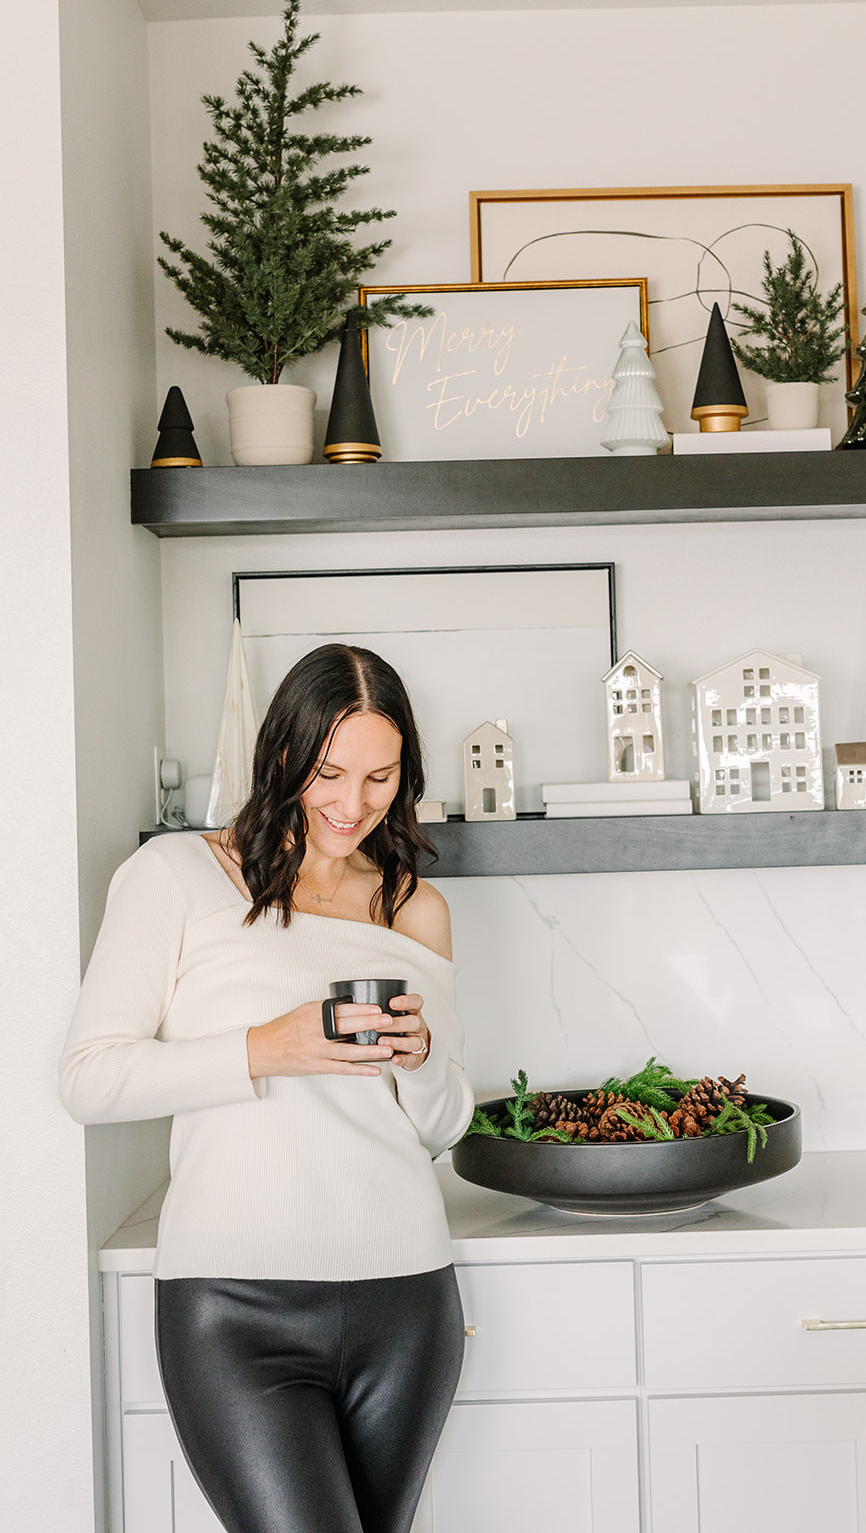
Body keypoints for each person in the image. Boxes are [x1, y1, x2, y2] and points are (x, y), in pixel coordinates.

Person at [60, 643, 474, 1533]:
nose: (352, 804)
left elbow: (443, 1124)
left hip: (406, 1294)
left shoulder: (414, 906)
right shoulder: (177, 875)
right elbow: (90, 1079)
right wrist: (263, 1047)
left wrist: (424, 1056)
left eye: (379, 777)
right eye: (328, 772)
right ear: (280, 752)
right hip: (234, 1304)